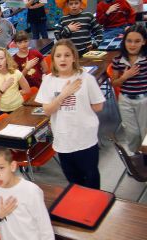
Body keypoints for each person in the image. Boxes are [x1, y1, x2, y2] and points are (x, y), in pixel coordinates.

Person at [35, 39, 105, 189]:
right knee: (73, 180)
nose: (63, 59)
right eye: (58, 55)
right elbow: (47, 110)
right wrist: (63, 95)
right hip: (63, 140)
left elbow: (98, 106)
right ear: (53, 59)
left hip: (85, 138)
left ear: (74, 57)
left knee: (91, 177)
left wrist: (82, 109)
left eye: (67, 55)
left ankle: (95, 209)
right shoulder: (48, 80)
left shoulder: (86, 79)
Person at [111, 23, 147, 153]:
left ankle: (144, 159)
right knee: (132, 133)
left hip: (144, 100)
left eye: (137, 41)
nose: (132, 45)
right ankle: (135, 157)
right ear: (124, 41)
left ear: (144, 42)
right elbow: (114, 83)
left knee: (145, 134)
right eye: (129, 41)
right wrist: (125, 76)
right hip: (125, 100)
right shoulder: (118, 59)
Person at [0, 47, 30, 114]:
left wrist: (16, 93)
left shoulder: (16, 73)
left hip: (19, 107)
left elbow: (27, 90)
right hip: (2, 110)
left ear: (7, 59)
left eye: (1, 58)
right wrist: (2, 90)